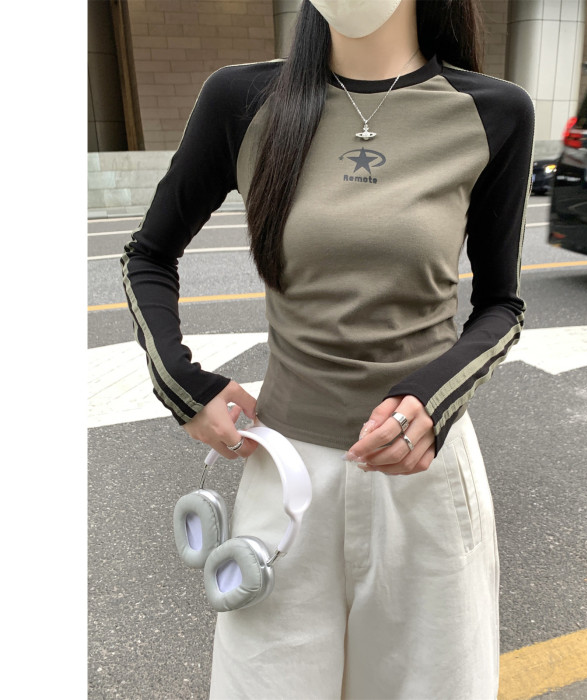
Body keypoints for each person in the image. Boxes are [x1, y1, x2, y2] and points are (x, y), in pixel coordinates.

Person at [120, 0, 535, 697]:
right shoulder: (243, 100)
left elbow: (502, 307)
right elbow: (148, 254)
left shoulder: (492, 112)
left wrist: (431, 402)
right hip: (284, 479)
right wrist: (183, 386)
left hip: (423, 484)